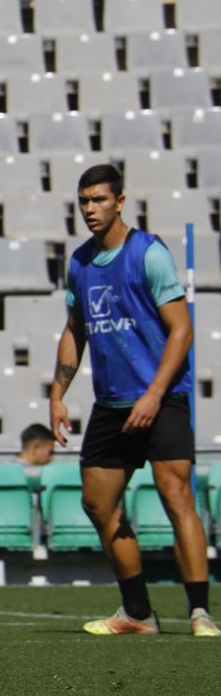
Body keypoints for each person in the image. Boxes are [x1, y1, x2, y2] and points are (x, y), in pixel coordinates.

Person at [50, 163, 216, 638]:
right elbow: (75, 330)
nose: (90, 209)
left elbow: (182, 330)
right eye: (83, 201)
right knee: (97, 503)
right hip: (112, 403)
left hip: (161, 398)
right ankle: (138, 613)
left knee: (175, 495)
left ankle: (200, 613)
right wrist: (57, 392)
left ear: (120, 201)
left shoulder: (149, 253)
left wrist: (155, 394)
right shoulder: (79, 262)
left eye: (99, 200)